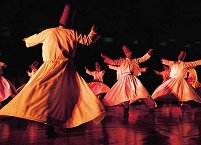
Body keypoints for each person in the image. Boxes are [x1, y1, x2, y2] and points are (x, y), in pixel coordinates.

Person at [0, 3, 105, 138]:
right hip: (66, 69)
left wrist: (26, 39)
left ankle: (50, 126)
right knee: (68, 97)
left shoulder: (49, 31)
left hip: (49, 68)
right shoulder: (72, 33)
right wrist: (94, 32)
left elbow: (33, 39)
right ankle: (66, 123)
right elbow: (88, 40)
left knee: (46, 96)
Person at [101, 45, 157, 115]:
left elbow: (142, 59)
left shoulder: (134, 60)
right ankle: (125, 107)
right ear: (126, 54)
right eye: (129, 52)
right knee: (125, 93)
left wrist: (149, 52)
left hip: (132, 78)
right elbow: (113, 62)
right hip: (124, 78)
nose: (131, 53)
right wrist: (105, 57)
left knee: (142, 91)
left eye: (131, 52)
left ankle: (151, 106)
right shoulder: (122, 61)